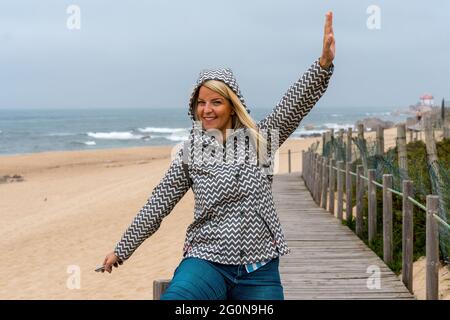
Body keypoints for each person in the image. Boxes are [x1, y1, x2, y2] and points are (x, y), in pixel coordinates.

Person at [100, 11, 336, 300]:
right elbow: (158, 203)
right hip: (206, 259)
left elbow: (293, 104)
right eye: (201, 102)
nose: (207, 109)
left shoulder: (261, 138)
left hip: (259, 265)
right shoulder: (190, 153)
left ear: (232, 105)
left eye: (216, 101)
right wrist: (121, 249)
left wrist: (323, 65)